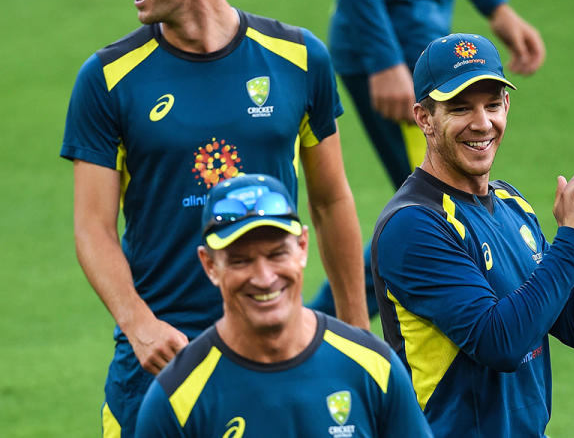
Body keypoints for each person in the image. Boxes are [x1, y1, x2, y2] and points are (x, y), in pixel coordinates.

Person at [60, 0, 367, 435]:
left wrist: (359, 334)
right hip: (159, 359)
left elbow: (331, 199)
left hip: (277, 348)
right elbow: (93, 227)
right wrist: (139, 325)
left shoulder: (299, 59)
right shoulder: (106, 79)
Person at [371, 33, 574, 436]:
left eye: (493, 105)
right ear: (425, 118)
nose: (482, 123)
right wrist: (573, 238)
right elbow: (501, 342)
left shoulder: (511, 203)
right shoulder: (413, 225)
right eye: (460, 108)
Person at [309, 0, 547, 316]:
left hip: (421, 48)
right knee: (432, 207)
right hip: (396, 57)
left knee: (429, 209)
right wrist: (384, 59)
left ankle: (313, 329)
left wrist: (495, 5)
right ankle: (313, 337)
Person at [135, 174, 432, 437]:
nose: (264, 278)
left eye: (277, 254)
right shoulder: (176, 399)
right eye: (241, 261)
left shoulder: (373, 367)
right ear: (210, 265)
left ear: (302, 248)